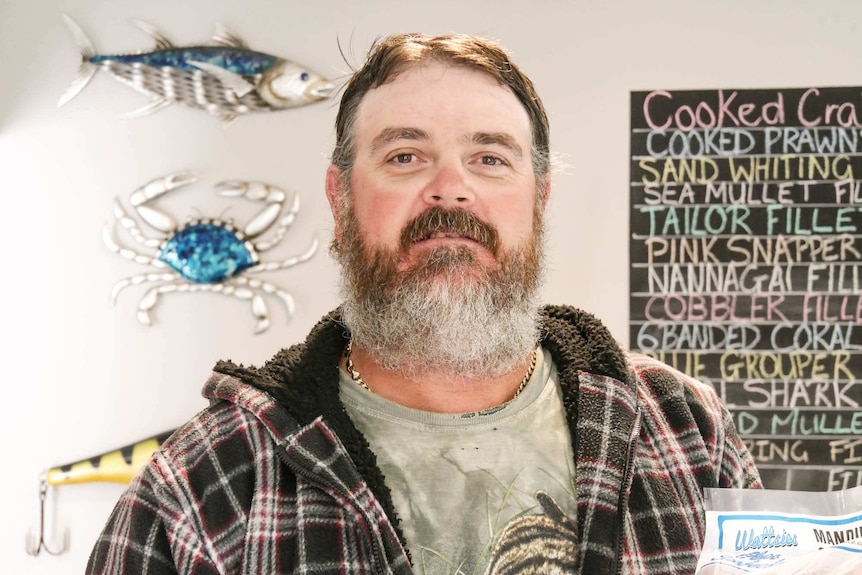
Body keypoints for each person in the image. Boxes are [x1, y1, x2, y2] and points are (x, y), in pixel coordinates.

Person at [86, 32, 761, 575]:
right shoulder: (207, 478)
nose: (451, 190)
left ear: (540, 199)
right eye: (406, 156)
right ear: (341, 199)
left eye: (490, 158)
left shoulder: (685, 428)